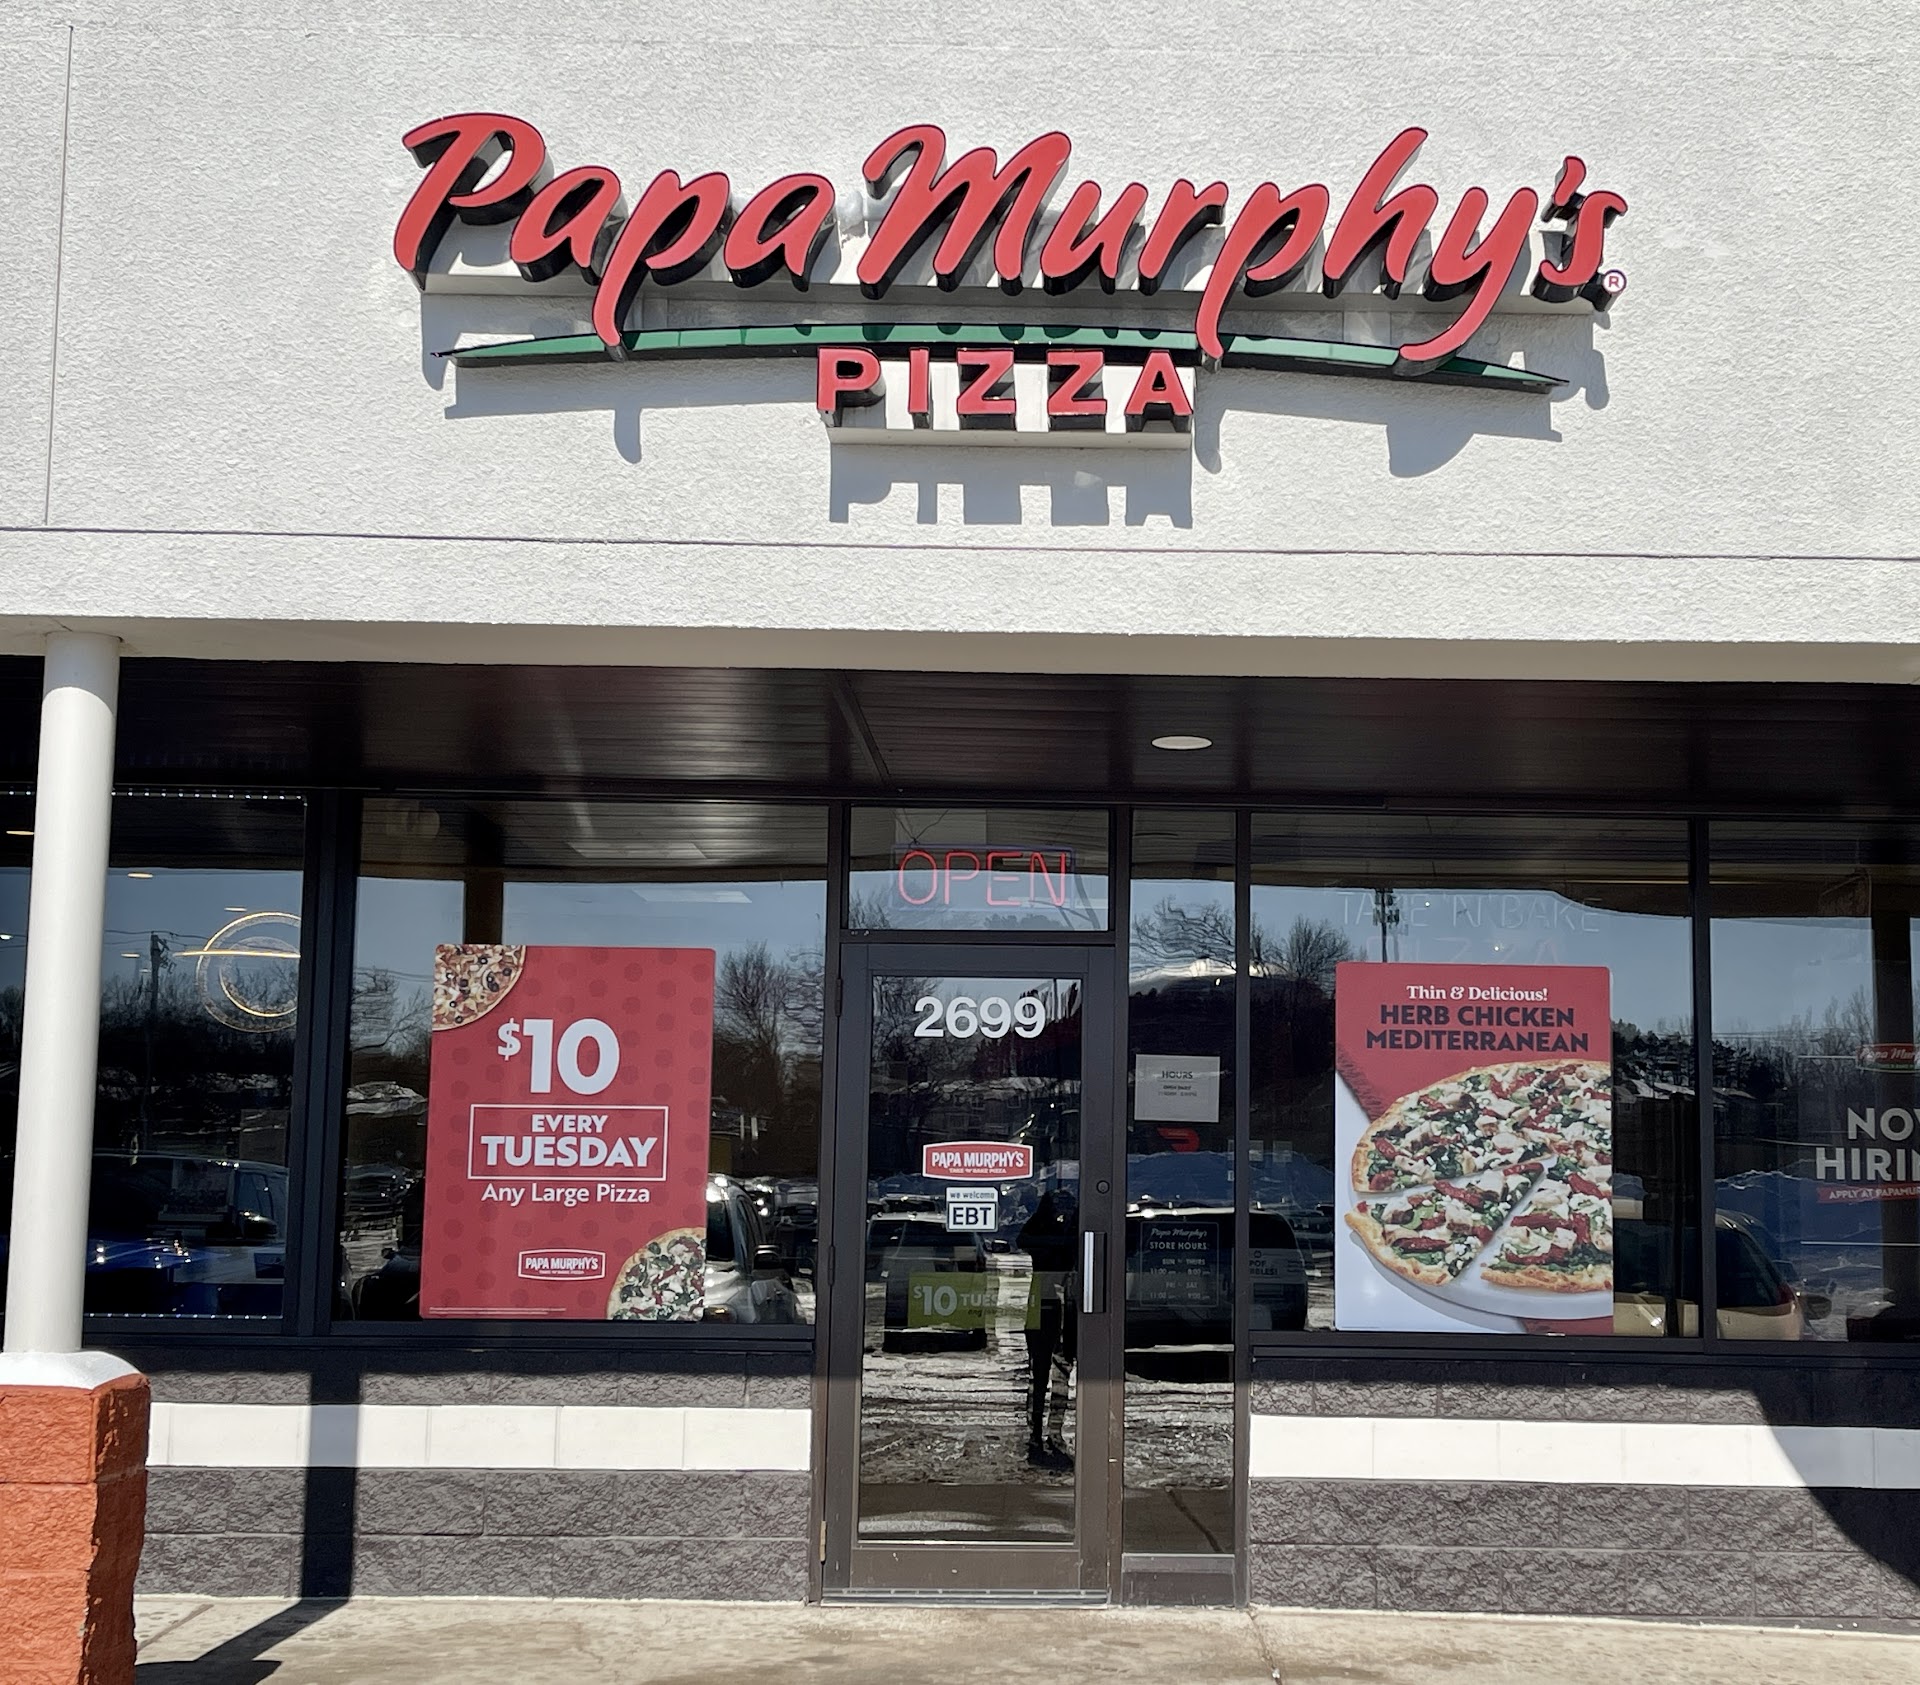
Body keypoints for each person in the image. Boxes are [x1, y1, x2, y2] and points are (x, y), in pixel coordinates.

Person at [1017, 1187, 1078, 1471]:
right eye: (1058, 1205)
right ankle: (1035, 1433)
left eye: (1067, 1206)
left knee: (1061, 1374)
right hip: (1043, 1306)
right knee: (1039, 1374)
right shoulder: (1041, 1228)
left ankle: (1054, 1432)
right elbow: (1023, 1240)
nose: (1063, 1212)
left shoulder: (1073, 1229)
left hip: (1066, 1308)